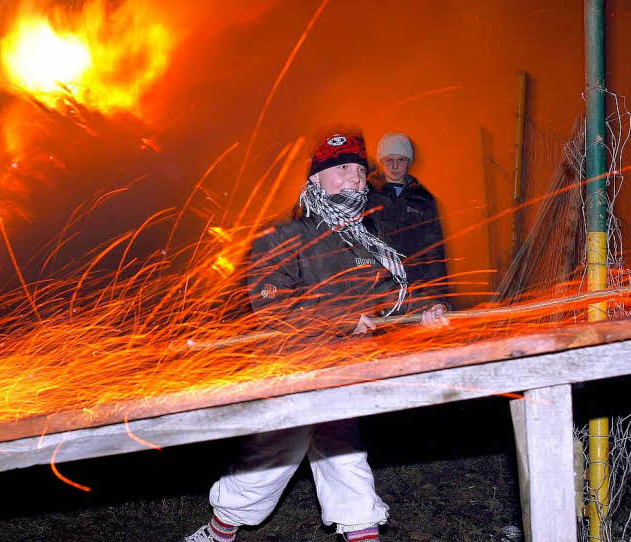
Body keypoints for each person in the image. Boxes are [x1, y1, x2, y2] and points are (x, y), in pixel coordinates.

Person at [182, 131, 447, 542]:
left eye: (360, 171)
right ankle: (218, 532)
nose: (355, 179)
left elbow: (387, 297)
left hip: (343, 367)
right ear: (316, 180)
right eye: (342, 169)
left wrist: (425, 308)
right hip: (294, 368)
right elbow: (271, 304)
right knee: (272, 458)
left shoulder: (364, 241)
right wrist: (341, 318)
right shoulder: (283, 236)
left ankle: (363, 532)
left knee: (343, 451)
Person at [368, 132, 450, 314]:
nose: (395, 166)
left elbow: (434, 253)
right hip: (375, 296)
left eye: (401, 160)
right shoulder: (367, 195)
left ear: (409, 161)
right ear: (381, 161)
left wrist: (437, 299)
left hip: (414, 295)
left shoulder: (423, 200)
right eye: (389, 159)